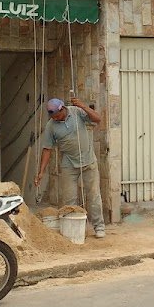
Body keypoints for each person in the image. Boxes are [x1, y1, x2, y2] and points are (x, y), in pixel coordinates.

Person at [34, 96, 105, 238]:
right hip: (69, 164)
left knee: (93, 195)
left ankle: (99, 226)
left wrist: (83, 106)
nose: (55, 118)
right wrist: (41, 172)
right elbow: (47, 149)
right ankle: (75, 229)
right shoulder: (51, 126)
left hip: (88, 160)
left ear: (63, 109)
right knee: (69, 199)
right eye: (52, 117)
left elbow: (97, 119)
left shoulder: (76, 111)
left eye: (57, 115)